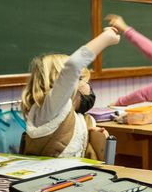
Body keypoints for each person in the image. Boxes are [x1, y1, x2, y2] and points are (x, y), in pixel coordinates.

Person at [21, 28, 120, 158]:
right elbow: (73, 65)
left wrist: (91, 135)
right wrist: (106, 38)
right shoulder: (51, 107)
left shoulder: (72, 113)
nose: (85, 86)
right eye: (78, 79)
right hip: (50, 175)